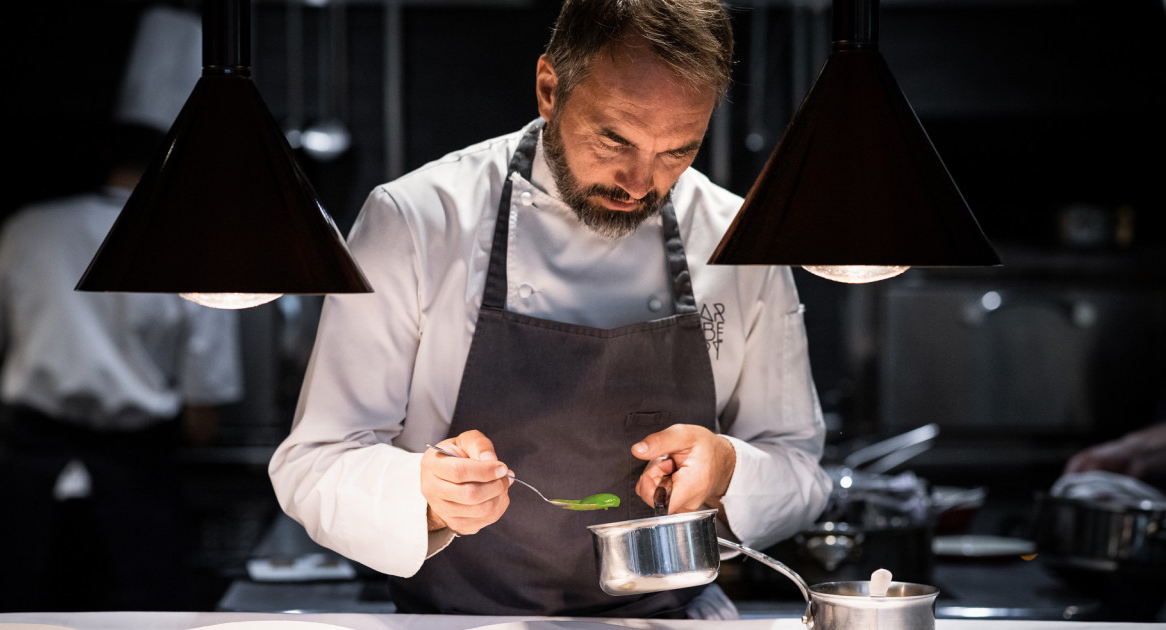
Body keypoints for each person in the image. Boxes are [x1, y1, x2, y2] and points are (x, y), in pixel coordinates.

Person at [269, 0, 830, 618]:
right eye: (614, 137)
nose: (641, 181)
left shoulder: (737, 237)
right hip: (462, 622)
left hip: (671, 619)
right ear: (548, 89)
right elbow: (314, 464)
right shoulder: (419, 220)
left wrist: (730, 472)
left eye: (677, 151)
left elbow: (799, 467)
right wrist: (421, 494)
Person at [0, 6, 243, 611]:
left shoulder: (28, 229)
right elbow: (203, 413)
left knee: (19, 616)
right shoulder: (189, 242)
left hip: (32, 468)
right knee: (145, 618)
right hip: (138, 475)